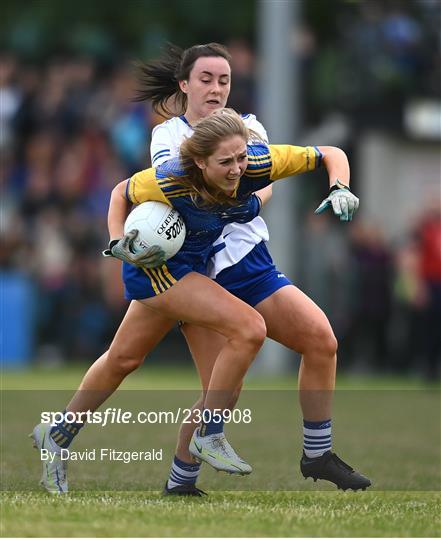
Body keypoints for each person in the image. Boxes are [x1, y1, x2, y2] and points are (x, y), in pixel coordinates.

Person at [31, 108, 370, 496]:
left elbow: (330, 153)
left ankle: (58, 434)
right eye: (226, 162)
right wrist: (115, 242)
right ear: (199, 161)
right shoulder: (171, 177)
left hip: (194, 267)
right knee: (248, 329)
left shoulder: (256, 162)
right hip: (156, 268)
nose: (237, 169)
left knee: (126, 359)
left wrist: (339, 186)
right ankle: (209, 434)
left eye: (241, 158)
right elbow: (119, 193)